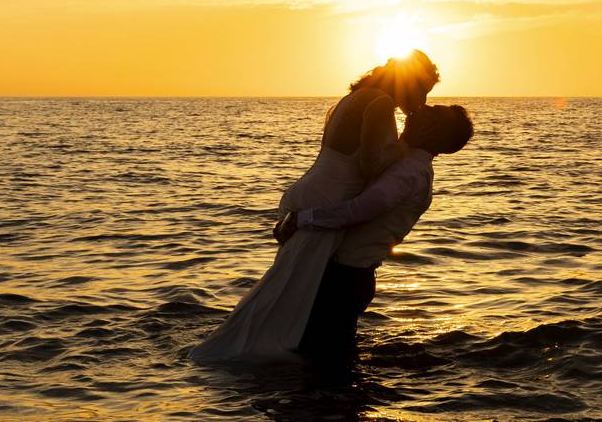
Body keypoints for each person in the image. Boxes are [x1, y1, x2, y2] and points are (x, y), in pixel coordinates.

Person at [188, 51, 439, 363]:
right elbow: (370, 164)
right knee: (290, 293)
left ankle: (274, 350)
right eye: (423, 90)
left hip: (313, 191)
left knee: (290, 288)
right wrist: (406, 147)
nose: (423, 100)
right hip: (327, 200)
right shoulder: (381, 103)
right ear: (408, 82)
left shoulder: (357, 96)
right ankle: (256, 352)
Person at [274, 104, 475, 359]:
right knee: (327, 358)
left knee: (324, 361)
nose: (418, 109)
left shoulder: (409, 172)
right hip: (348, 277)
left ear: (433, 130)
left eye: (432, 111)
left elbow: (358, 211)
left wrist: (301, 218)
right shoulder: (405, 164)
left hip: (343, 280)